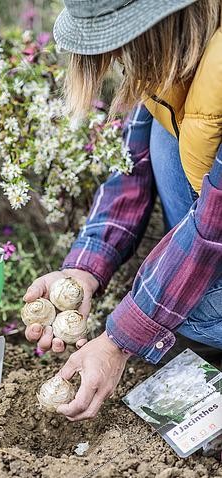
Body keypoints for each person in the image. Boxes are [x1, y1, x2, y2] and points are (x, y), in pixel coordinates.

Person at [24, 0, 222, 421]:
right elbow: (130, 170)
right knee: (163, 137)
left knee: (191, 316)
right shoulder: (175, 55)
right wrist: (84, 270)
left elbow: (212, 228)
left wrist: (119, 341)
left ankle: (206, 331)